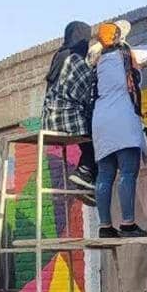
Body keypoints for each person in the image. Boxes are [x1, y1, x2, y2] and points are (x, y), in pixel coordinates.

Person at [91, 18, 147, 238]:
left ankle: (105, 226)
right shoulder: (128, 54)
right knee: (127, 171)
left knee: (104, 174)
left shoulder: (96, 62)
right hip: (123, 117)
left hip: (100, 120)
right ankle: (128, 223)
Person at [42, 21, 98, 194]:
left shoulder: (59, 56)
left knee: (89, 131)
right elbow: (86, 93)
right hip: (66, 119)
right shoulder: (74, 59)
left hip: (50, 119)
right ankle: (85, 172)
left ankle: (86, 177)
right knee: (99, 133)